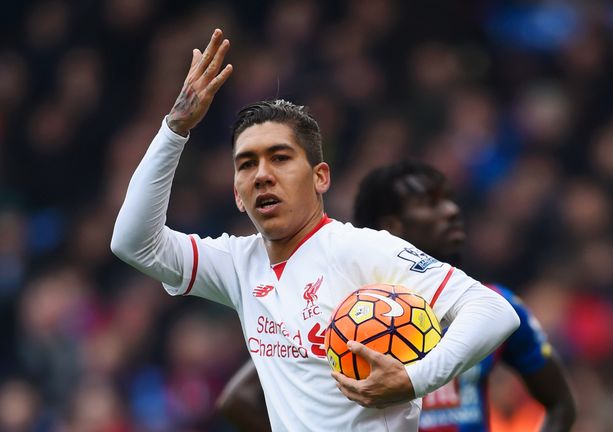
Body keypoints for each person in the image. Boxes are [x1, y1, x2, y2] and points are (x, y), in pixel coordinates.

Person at [110, 29, 519, 431]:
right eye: (247, 164)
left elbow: (494, 311)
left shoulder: (360, 250)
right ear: (237, 193)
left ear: (321, 177)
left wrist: (414, 380)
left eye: (280, 157)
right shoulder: (239, 264)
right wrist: (175, 129)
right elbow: (134, 244)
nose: (262, 175)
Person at [217, 161, 576, 431]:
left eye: (448, 200)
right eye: (430, 203)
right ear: (390, 228)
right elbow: (240, 401)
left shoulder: (492, 305)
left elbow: (560, 403)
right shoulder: (342, 314)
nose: (451, 211)